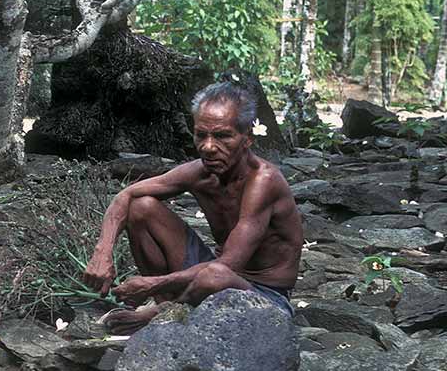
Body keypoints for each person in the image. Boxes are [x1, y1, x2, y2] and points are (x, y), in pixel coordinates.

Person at [83, 82, 302, 335]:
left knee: (215, 275)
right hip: (213, 274)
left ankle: (163, 312)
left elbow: (228, 265)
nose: (208, 147)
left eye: (222, 136)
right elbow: (126, 195)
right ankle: (167, 306)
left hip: (265, 296)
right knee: (141, 207)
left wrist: (152, 284)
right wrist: (103, 252)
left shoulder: (263, 181)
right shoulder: (200, 172)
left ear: (247, 139)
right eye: (201, 135)